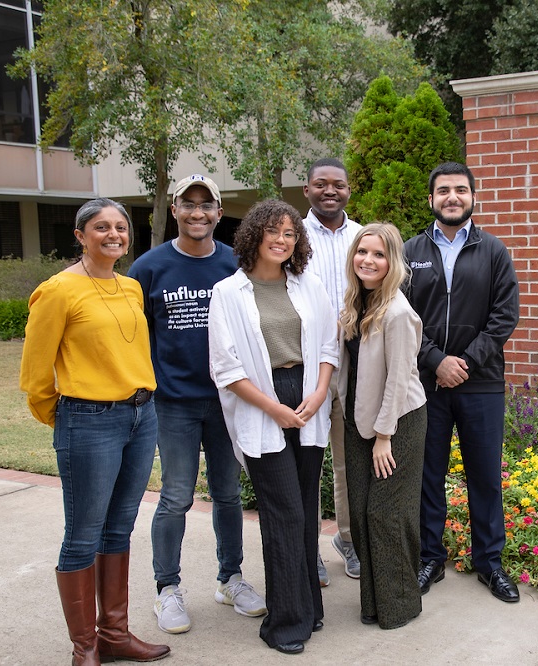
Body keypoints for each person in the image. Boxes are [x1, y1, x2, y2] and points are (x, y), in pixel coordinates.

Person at [20, 198, 170, 664]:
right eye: (101, 227)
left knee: (119, 529)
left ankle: (115, 634)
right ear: (80, 235)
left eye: (121, 227)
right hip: (88, 421)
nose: (113, 235)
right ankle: (84, 648)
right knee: (83, 534)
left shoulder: (128, 287)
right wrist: (66, 419)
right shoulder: (58, 290)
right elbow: (35, 374)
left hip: (142, 417)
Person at [128, 174, 265, 635]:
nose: (197, 212)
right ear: (175, 211)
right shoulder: (148, 268)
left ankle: (231, 579)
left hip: (228, 400)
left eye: (207, 205)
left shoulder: (235, 263)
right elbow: (132, 334)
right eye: (189, 204)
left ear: (218, 213)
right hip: (174, 404)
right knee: (175, 497)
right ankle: (167, 589)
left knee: (228, 494)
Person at [208, 200, 337, 655]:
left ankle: (309, 609)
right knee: (283, 513)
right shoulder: (227, 293)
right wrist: (274, 410)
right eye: (273, 231)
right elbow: (226, 368)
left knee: (304, 508)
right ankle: (284, 625)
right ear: (253, 236)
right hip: (261, 401)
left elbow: (327, 345)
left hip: (306, 395)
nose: (281, 240)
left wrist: (320, 392)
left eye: (289, 233)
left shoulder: (308, 284)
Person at [404, 162, 522, 603]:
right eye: (443, 191)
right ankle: (430, 559)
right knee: (427, 476)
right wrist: (435, 361)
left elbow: (504, 317)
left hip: (482, 385)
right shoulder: (410, 250)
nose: (451, 197)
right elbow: (402, 316)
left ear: (473, 196)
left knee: (485, 478)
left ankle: (490, 564)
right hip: (427, 384)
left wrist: (463, 364)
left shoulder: (494, 251)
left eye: (459, 190)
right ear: (430, 199)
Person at [338, 223, 427, 629]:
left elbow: (399, 378)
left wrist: (384, 437)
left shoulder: (398, 312)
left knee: (386, 513)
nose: (368, 261)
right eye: (362, 252)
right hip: (358, 417)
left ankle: (401, 604)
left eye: (378, 254)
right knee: (359, 511)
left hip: (397, 423)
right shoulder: (356, 302)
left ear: (392, 262)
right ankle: (373, 603)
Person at [301, 158, 363, 583]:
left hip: (355, 364)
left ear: (348, 190)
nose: (329, 191)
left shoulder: (363, 236)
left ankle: (348, 539)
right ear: (306, 190)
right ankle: (307, 549)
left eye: (337, 185)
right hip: (306, 366)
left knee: (348, 461)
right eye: (320, 184)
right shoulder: (291, 234)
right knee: (307, 459)